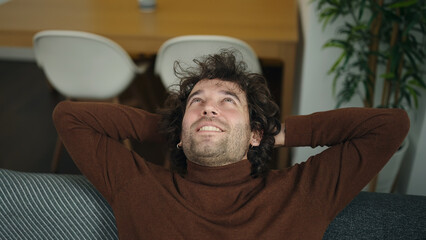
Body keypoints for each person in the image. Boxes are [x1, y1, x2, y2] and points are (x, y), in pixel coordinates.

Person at [53, 50, 410, 240]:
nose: (209, 106)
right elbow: (70, 116)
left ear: (256, 134)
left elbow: (388, 126)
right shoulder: (140, 187)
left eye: (227, 101)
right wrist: (183, 128)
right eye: (197, 101)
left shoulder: (303, 193)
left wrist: (273, 131)